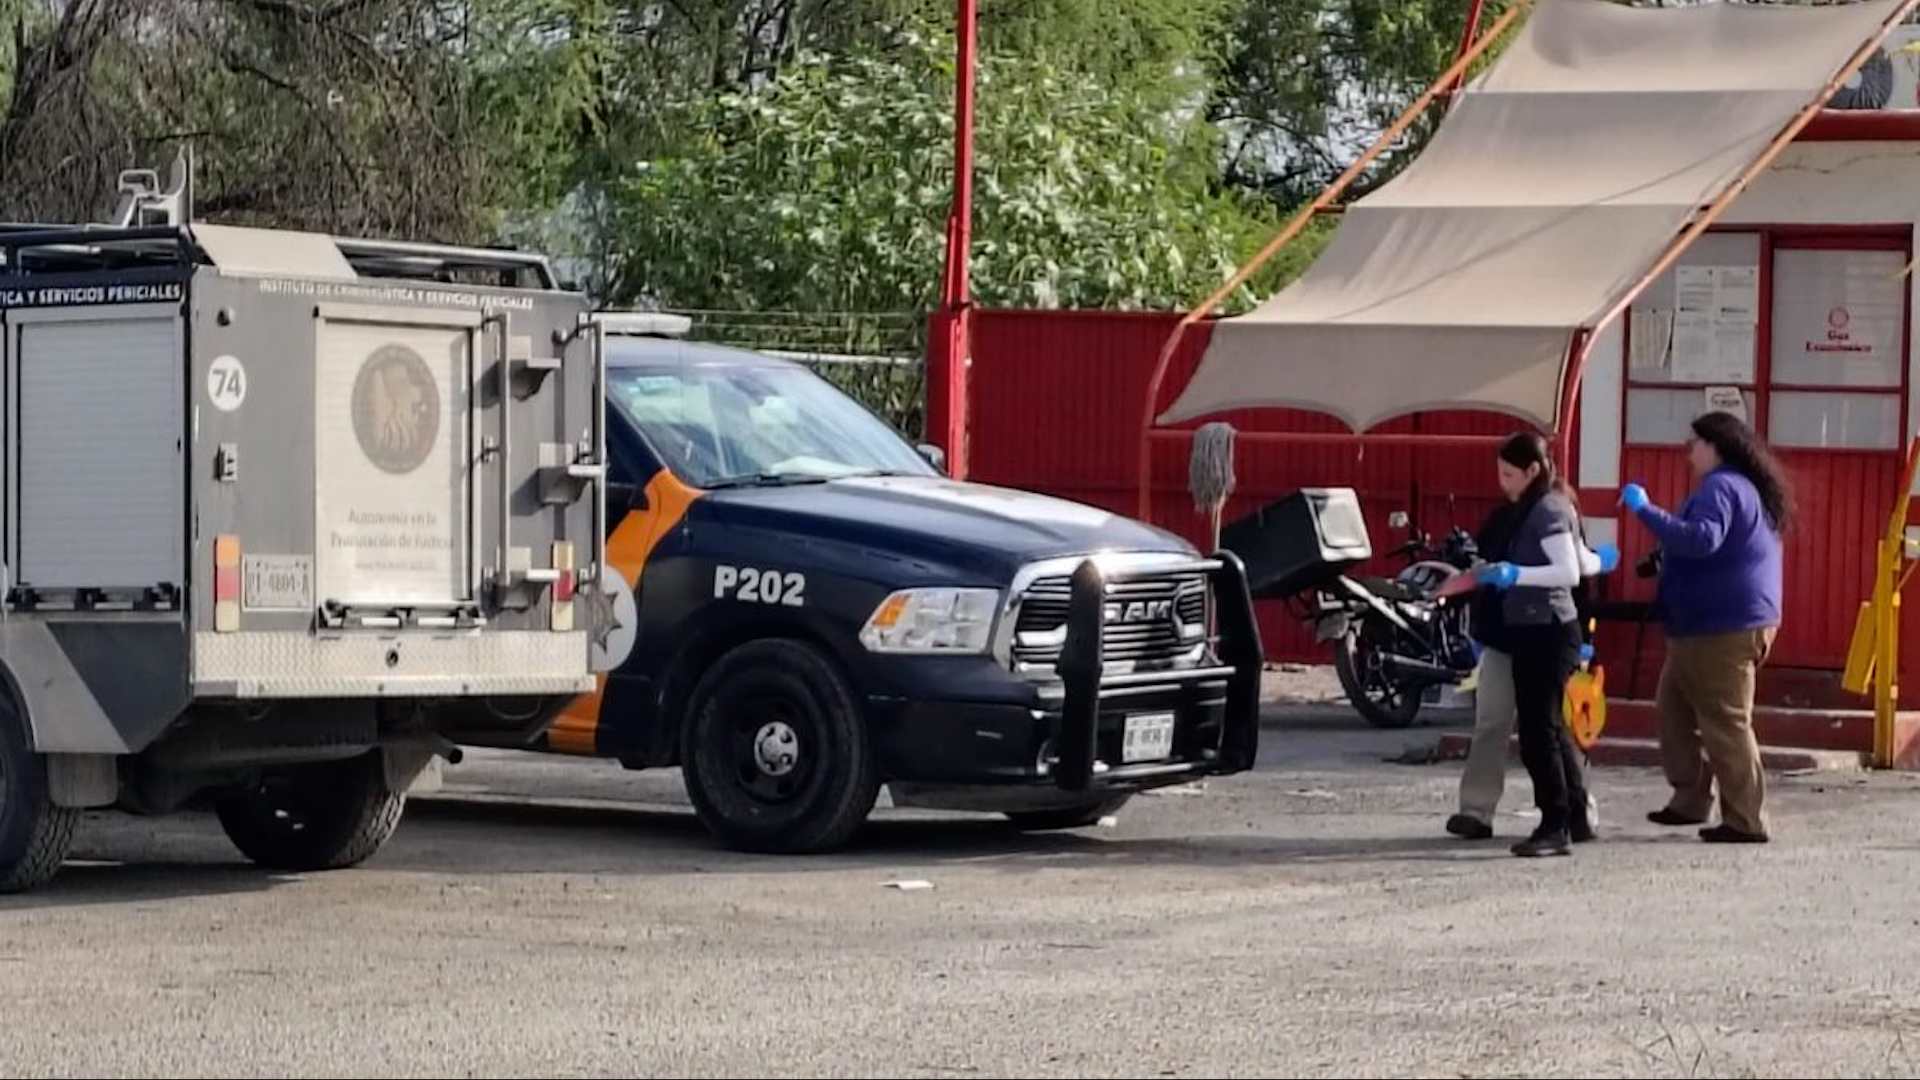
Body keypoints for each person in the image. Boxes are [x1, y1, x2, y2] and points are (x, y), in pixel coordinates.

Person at [1436, 432, 1615, 857]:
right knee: (1538, 728)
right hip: (1522, 630)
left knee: (1542, 733)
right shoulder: (1526, 511)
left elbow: (1568, 570)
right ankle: (1565, 816)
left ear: (1533, 470)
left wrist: (1516, 574)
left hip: (1545, 630)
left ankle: (1560, 821)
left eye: (1508, 473)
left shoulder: (1548, 509)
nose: (1502, 482)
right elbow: (1579, 560)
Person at [1619, 410, 1789, 844]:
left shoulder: (1721, 487)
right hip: (1717, 624)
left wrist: (1646, 511)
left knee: (1724, 721)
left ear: (1716, 445)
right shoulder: (1743, 487)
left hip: (1720, 627)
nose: (1687, 451)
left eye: (1694, 442)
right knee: (1673, 708)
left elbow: (1702, 539)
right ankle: (1691, 798)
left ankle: (1746, 819)